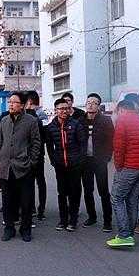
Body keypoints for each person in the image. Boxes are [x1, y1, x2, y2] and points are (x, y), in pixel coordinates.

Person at [0, 92, 41, 242]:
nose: (10, 104)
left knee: (26, 201)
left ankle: (25, 229)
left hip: (24, 167)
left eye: (14, 102)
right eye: (9, 102)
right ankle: (9, 228)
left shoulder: (31, 121)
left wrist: (31, 162)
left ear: (22, 105)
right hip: (6, 168)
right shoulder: (3, 121)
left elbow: (36, 143)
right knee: (7, 201)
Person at [107, 100, 139, 248]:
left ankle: (124, 235)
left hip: (129, 166)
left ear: (120, 109)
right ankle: (129, 234)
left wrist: (118, 167)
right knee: (132, 199)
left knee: (117, 198)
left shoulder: (122, 121)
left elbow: (119, 147)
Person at [46, 98, 87, 232]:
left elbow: (83, 144)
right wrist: (53, 160)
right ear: (55, 110)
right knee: (62, 193)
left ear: (69, 110)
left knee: (74, 193)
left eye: (66, 108)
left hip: (75, 164)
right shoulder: (51, 127)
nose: (64, 111)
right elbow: (50, 147)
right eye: (60, 109)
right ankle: (63, 220)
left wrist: (80, 160)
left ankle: (73, 220)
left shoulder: (76, 124)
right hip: (60, 166)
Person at [78, 93, 114, 232]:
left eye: (94, 102)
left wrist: (107, 157)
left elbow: (110, 140)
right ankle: (92, 217)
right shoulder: (81, 121)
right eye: (88, 102)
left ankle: (107, 221)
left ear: (98, 106)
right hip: (85, 161)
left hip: (99, 160)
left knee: (103, 191)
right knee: (88, 191)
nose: (90, 104)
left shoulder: (105, 120)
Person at [124, 94, 139, 234]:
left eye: (133, 103)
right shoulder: (124, 118)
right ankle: (130, 221)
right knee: (130, 195)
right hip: (129, 164)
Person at [25, 91, 48, 221]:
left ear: (29, 102)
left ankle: (38, 209)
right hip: (38, 154)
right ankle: (36, 209)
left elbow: (43, 136)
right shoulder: (42, 116)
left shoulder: (39, 116)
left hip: (34, 155)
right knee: (38, 182)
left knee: (36, 182)